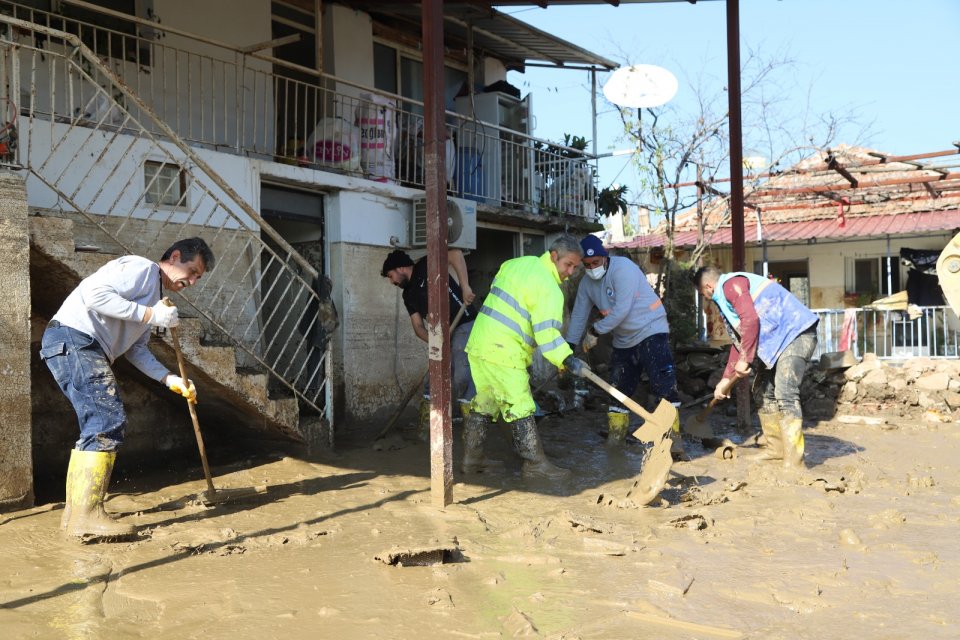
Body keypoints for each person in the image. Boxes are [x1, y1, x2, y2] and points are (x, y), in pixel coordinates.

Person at [40, 238, 214, 540]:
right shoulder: (141, 268)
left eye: (198, 278)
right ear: (174, 257)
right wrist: (150, 315)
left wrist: (170, 379)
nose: (193, 282)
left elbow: (137, 350)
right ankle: (86, 516)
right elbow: (94, 296)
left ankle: (75, 515)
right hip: (75, 338)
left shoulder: (154, 296)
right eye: (192, 272)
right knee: (106, 420)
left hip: (78, 345)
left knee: (98, 422)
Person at [463, 235, 589, 480]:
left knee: (485, 402)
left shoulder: (516, 263)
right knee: (521, 405)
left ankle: (472, 459)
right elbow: (547, 335)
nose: (571, 272)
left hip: (480, 342)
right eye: (568, 265)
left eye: (575, 267)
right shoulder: (549, 288)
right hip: (503, 349)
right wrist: (568, 359)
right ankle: (535, 464)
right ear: (554, 256)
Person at [565, 236, 684, 456]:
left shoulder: (623, 269)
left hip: (651, 328)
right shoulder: (586, 284)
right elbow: (579, 315)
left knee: (663, 383)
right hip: (624, 339)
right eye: (587, 265)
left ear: (605, 257)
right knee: (618, 387)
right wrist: (568, 348)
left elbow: (621, 310)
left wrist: (594, 331)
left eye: (596, 262)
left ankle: (673, 440)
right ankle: (616, 438)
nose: (592, 268)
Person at [693, 265, 818, 468]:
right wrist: (725, 379)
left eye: (702, 294)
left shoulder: (731, 285)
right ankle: (776, 449)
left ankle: (794, 460)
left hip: (796, 333)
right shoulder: (726, 299)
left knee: (785, 392)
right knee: (762, 390)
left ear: (708, 287)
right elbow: (740, 340)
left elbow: (750, 320)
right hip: (778, 342)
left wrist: (746, 358)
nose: (705, 298)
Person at [381, 248, 477, 440]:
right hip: (441, 334)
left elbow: (456, 254)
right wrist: (435, 342)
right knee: (432, 380)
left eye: (391, 276)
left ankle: (473, 428)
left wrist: (465, 286)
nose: (392, 282)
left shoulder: (427, 265)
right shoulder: (408, 295)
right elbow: (418, 327)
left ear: (400, 268)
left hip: (464, 321)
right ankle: (427, 431)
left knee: (462, 373)